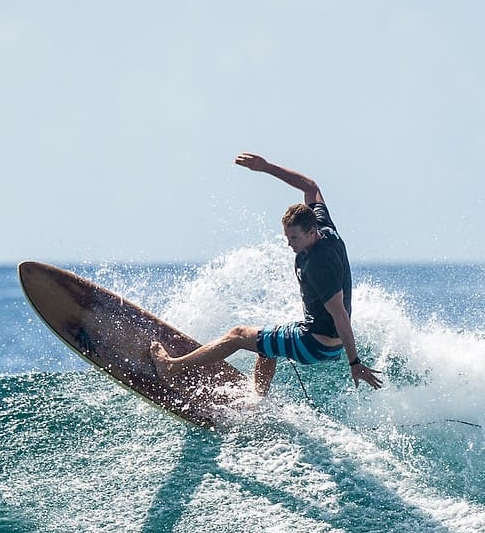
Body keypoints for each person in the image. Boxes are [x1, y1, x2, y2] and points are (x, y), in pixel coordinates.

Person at [150, 152, 383, 395]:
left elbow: (340, 314)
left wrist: (354, 363)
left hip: (316, 344)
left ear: (311, 231)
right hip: (322, 338)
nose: (289, 244)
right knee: (265, 342)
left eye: (294, 238)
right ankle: (258, 400)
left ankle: (171, 367)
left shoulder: (318, 264)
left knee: (238, 335)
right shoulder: (324, 227)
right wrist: (266, 167)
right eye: (286, 236)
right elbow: (310, 186)